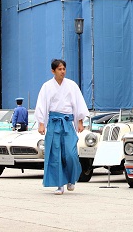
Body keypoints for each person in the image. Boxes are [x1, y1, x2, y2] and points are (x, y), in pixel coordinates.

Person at [34, 59, 89, 195]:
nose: (62, 71)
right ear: (53, 71)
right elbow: (42, 104)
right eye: (59, 69)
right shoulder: (47, 86)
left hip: (67, 122)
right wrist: (41, 123)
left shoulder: (72, 85)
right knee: (55, 154)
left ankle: (71, 179)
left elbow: (79, 103)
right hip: (53, 122)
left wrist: (80, 121)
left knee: (70, 154)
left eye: (64, 69)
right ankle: (59, 184)